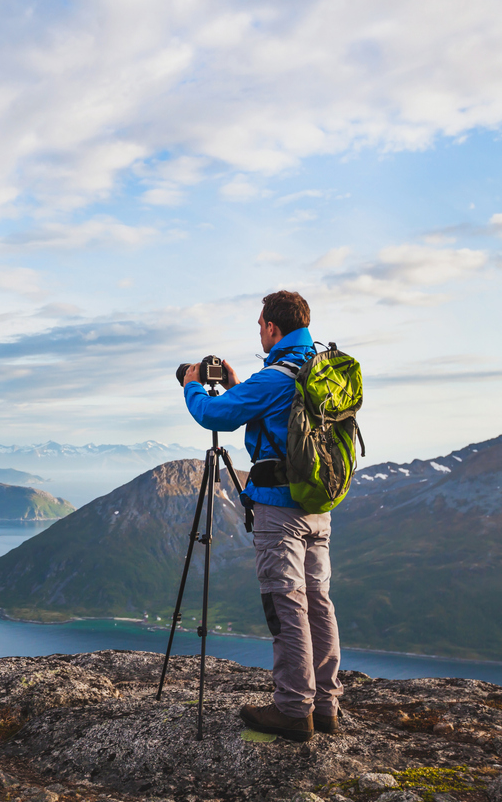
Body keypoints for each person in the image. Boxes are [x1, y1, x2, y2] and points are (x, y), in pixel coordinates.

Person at [180, 290, 341, 743]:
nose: (259, 331)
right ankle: (325, 705)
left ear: (272, 327)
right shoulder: (320, 368)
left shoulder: (276, 375)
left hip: (279, 508)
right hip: (317, 507)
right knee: (318, 602)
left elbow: (214, 415)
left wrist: (194, 383)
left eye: (260, 325)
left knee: (285, 603)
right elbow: (275, 417)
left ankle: (293, 708)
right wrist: (238, 386)